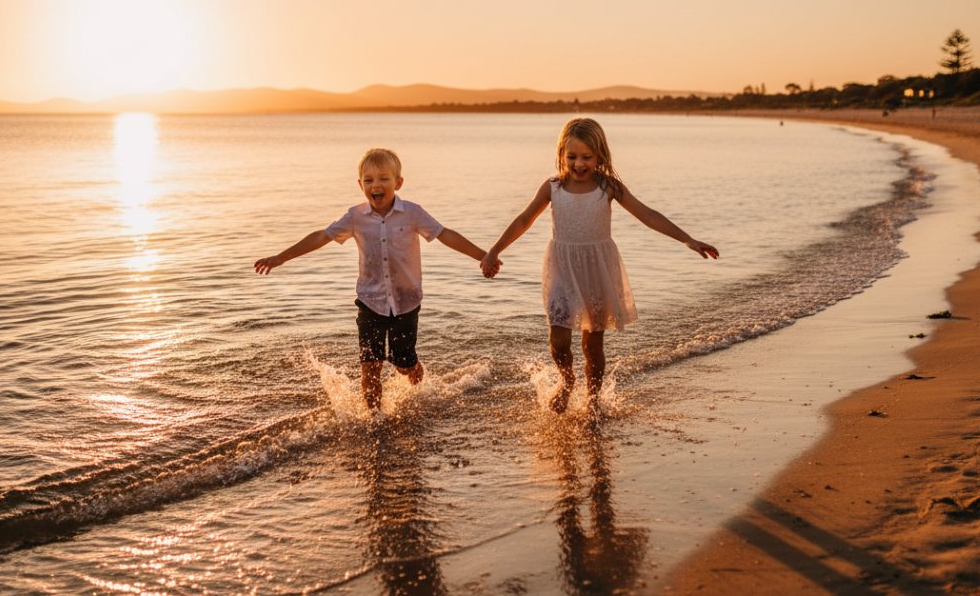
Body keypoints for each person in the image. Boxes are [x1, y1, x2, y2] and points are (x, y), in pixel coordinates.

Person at [480, 118, 718, 413]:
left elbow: (647, 215)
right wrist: (493, 251)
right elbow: (523, 220)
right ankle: (567, 382)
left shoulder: (608, 187)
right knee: (559, 340)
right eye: (572, 156)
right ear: (561, 154)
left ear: (600, 156)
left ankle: (593, 402)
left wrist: (687, 239)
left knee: (593, 345)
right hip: (563, 269)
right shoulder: (552, 187)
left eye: (586, 157)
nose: (578, 164)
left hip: (597, 270)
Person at [255, 148, 491, 410]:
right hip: (370, 301)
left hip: (406, 302)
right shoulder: (355, 217)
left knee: (403, 364)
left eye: (383, 179)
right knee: (370, 366)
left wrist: (483, 255)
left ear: (398, 183)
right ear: (360, 185)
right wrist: (281, 257)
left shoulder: (412, 213)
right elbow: (322, 236)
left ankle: (422, 390)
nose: (375, 185)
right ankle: (374, 419)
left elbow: (445, 234)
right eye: (368, 180)